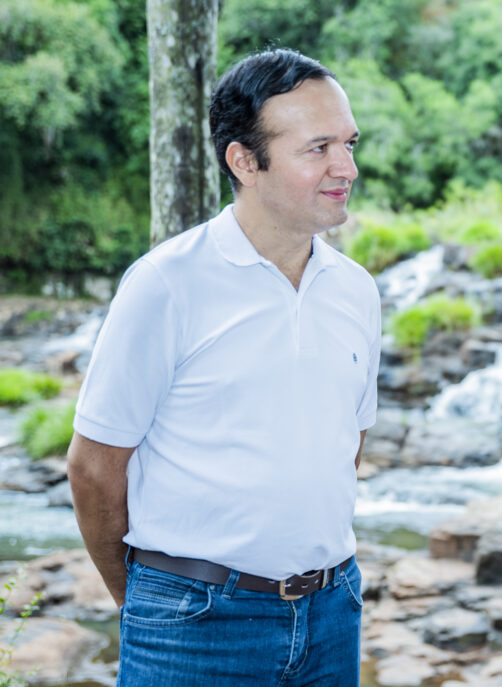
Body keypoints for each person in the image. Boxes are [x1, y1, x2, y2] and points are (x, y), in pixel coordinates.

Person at [67, 48, 379, 687]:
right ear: (244, 161)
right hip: (195, 622)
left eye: (349, 143)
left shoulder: (357, 290)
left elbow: (347, 444)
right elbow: (94, 466)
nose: (346, 167)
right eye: (317, 148)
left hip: (332, 614)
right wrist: (147, 604)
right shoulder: (165, 284)